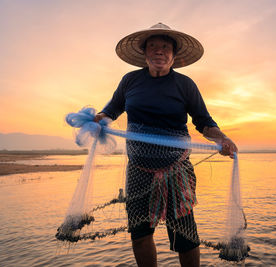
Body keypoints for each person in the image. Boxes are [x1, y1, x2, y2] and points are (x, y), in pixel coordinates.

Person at [94, 23, 237, 267]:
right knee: (140, 234)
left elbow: (203, 121)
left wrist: (221, 138)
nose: (159, 51)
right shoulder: (130, 81)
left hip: (176, 170)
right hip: (138, 170)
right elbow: (111, 110)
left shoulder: (185, 85)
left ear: (174, 54)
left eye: (165, 47)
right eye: (153, 47)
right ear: (145, 53)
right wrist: (98, 120)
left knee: (186, 237)